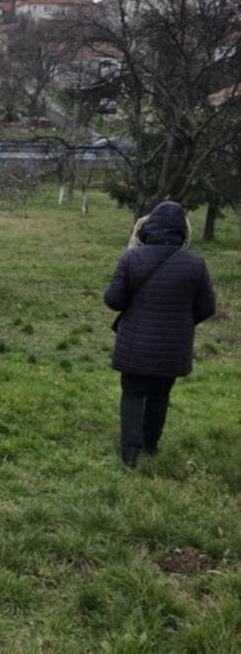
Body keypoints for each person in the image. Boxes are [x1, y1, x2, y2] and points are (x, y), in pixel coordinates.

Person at [103, 200, 216, 467]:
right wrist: (182, 323)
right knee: (160, 395)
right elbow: (207, 307)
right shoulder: (196, 263)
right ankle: (150, 446)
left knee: (132, 393)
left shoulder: (132, 258)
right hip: (173, 346)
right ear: (183, 230)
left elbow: (113, 300)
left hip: (135, 344)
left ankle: (130, 454)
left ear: (148, 227)